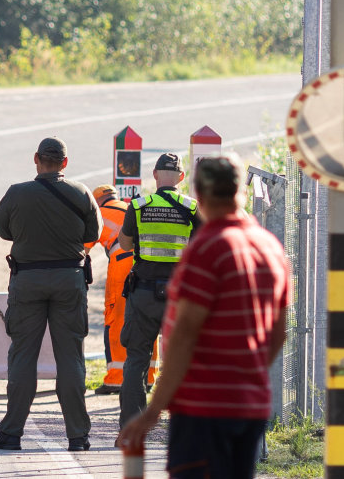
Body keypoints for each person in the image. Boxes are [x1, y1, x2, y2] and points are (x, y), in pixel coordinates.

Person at [118, 155, 290, 478]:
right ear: (240, 190)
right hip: (250, 406)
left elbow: (184, 337)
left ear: (198, 190)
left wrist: (151, 413)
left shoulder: (208, 248)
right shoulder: (270, 248)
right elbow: (278, 333)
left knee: (137, 359)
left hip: (203, 409)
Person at [0, 137, 102, 453]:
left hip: (27, 281)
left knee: (23, 356)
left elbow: (3, 230)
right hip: (70, 281)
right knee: (71, 359)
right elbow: (93, 234)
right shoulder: (81, 193)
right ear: (65, 163)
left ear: (36, 159)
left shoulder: (17, 193)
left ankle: (11, 434)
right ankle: (77, 436)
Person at [117, 153, 202, 430]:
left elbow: (125, 245)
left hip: (142, 295)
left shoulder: (138, 206)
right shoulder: (192, 208)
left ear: (154, 175)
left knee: (137, 360)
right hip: (180, 297)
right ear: (180, 177)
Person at [87, 185, 158, 396]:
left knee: (115, 317)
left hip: (122, 262)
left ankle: (116, 378)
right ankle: (149, 376)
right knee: (147, 318)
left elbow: (83, 247)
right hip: (146, 263)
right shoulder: (129, 209)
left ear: (97, 201)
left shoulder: (98, 213)